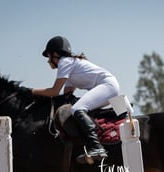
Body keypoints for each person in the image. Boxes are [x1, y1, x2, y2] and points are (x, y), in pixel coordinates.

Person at [32, 36, 120, 164]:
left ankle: (97, 148)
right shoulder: (68, 65)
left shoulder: (64, 62)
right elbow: (66, 94)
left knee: (77, 109)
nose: (48, 61)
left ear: (55, 54)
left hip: (108, 86)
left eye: (49, 56)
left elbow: (54, 91)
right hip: (109, 85)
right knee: (76, 107)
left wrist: (30, 91)